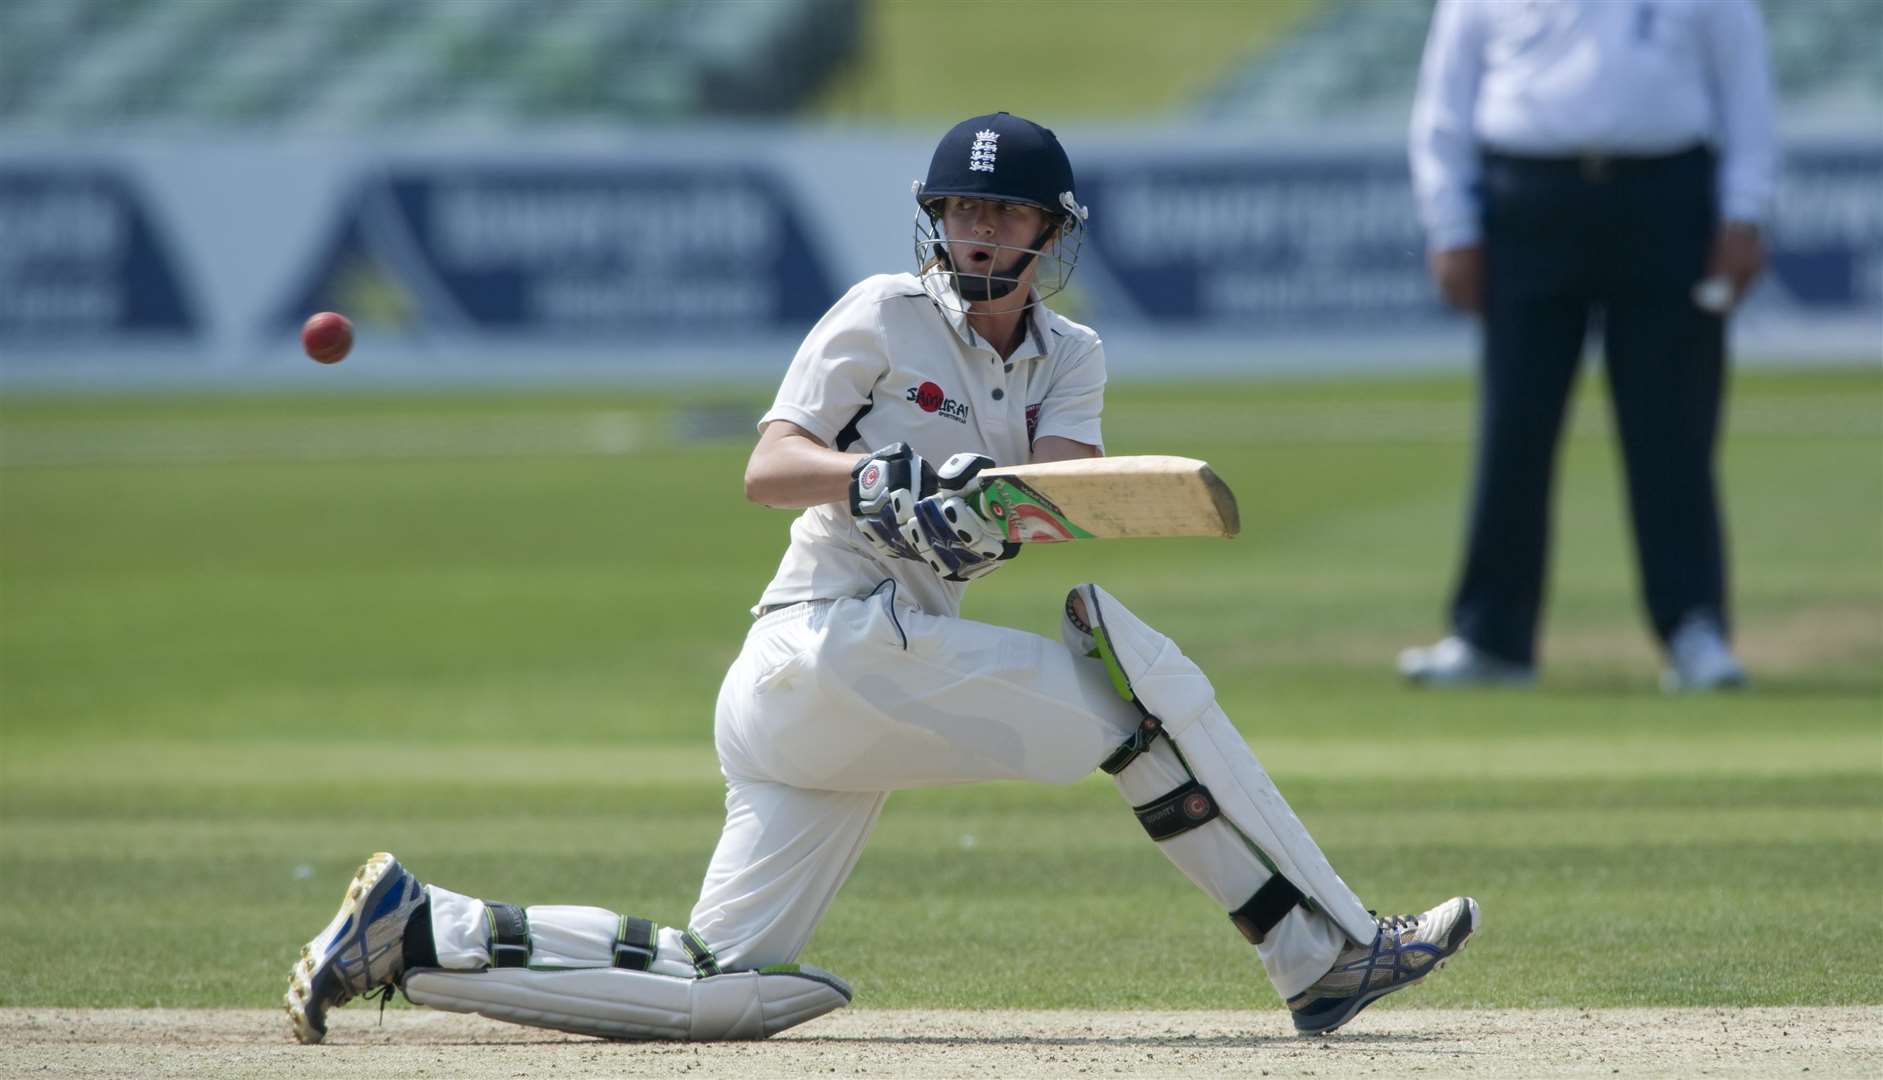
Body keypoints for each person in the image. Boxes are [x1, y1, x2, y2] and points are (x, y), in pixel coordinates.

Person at [284, 112, 1479, 1046]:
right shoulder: (878, 313)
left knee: (724, 987)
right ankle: (1326, 949)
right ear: (933, 218)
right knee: (1139, 687)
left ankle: (417, 930)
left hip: (859, 684)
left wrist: (976, 512)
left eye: (1005, 215)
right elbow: (769, 467)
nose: (978, 231)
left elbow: (1060, 500)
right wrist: (878, 481)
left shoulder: (1073, 359)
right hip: (821, 644)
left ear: (1048, 236)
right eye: (961, 208)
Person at [1401, 0, 1778, 691]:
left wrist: (1744, 212)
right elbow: (1443, 108)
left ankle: (1692, 628)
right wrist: (1449, 223)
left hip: (1665, 201)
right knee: (1514, 427)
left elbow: (1746, 99)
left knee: (1671, 428)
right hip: (1526, 204)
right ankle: (1492, 640)